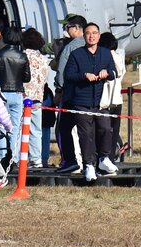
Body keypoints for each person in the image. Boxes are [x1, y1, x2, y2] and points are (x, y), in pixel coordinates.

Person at [62, 21, 118, 182]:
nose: (91, 36)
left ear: (99, 36)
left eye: (94, 33)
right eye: (88, 33)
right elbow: (68, 75)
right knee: (85, 134)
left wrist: (107, 72)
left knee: (106, 129)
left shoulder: (106, 53)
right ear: (84, 36)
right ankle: (89, 165)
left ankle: (104, 159)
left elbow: (114, 72)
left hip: (101, 101)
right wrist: (84, 76)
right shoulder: (76, 54)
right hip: (81, 100)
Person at [0, 25, 32, 162]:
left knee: (1, 127)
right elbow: (27, 78)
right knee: (14, 128)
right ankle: (14, 157)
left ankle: (2, 157)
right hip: (17, 93)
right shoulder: (22, 56)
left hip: (0, 94)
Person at [51, 14, 88, 170]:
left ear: (77, 28)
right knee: (87, 129)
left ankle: (70, 161)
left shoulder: (71, 47)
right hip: (89, 96)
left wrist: (58, 89)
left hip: (70, 94)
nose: (65, 30)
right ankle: (89, 162)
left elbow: (62, 71)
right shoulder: (93, 46)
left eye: (68, 27)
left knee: (64, 128)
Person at [21, 28, 51, 168]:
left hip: (23, 96)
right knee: (36, 130)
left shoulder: (23, 56)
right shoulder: (43, 59)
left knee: (21, 128)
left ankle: (20, 158)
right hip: (38, 97)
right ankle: (36, 158)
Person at [98, 31, 126, 159]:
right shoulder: (119, 56)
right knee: (114, 131)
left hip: (105, 99)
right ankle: (111, 157)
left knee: (102, 130)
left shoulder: (105, 56)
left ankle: (104, 156)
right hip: (117, 99)